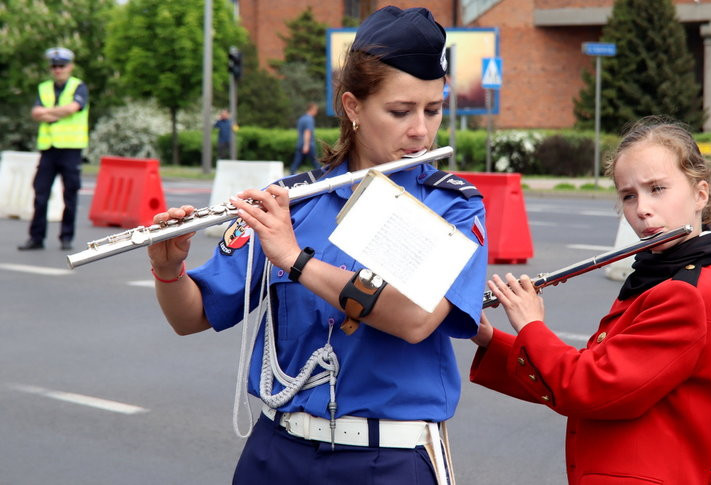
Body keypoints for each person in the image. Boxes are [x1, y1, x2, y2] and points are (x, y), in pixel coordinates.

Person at [147, 6, 488, 485]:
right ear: (352, 107)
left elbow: (414, 318)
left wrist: (295, 260)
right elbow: (191, 317)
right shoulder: (293, 202)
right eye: (400, 111)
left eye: (433, 110)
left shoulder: (452, 207)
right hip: (277, 451)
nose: (421, 131)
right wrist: (169, 268)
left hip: (386, 459)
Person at [470, 117, 711, 485]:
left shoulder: (682, 295)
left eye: (657, 189)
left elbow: (589, 387)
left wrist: (531, 325)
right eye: (629, 195)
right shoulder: (658, 279)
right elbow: (592, 370)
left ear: (700, 194)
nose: (642, 208)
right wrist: (489, 338)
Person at [18, 47, 89, 251]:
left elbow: (72, 109)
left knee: (70, 195)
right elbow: (36, 113)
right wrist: (59, 113)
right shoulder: (44, 88)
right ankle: (36, 238)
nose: (58, 69)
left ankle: (66, 237)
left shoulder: (78, 86)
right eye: (54, 66)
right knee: (40, 194)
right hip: (48, 149)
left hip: (71, 149)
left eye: (62, 66)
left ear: (70, 66)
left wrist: (48, 113)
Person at [289, 102, 320, 174]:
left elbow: (299, 132)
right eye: (316, 110)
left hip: (300, 143)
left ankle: (290, 175)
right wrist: (306, 145)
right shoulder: (309, 119)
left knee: (296, 162)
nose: (316, 112)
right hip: (308, 144)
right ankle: (323, 175)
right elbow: (307, 132)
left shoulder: (301, 119)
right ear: (312, 109)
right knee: (315, 162)